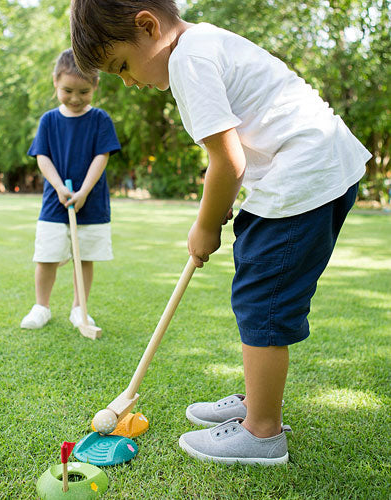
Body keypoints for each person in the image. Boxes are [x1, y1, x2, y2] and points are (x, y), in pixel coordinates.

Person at [70, 0, 371, 464]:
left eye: (122, 66)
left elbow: (228, 160)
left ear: (148, 27)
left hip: (304, 174)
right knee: (259, 289)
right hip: (318, 168)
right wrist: (222, 207)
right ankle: (257, 402)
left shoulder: (188, 61)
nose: (129, 82)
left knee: (263, 298)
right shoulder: (205, 41)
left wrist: (206, 225)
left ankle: (262, 432)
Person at [21, 48, 121, 330]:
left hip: (91, 202)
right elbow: (43, 157)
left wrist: (85, 191)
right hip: (56, 203)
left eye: (83, 92)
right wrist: (58, 188)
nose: (75, 98)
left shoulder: (100, 119)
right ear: (55, 81)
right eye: (67, 90)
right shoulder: (49, 121)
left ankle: (80, 308)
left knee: (84, 256)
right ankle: (42, 307)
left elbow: (102, 156)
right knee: (47, 256)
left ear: (95, 86)